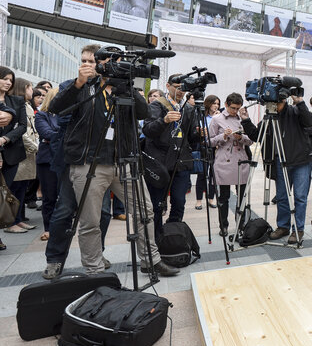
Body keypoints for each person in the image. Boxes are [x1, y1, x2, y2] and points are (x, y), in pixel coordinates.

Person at [47, 46, 178, 276]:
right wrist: (79, 82)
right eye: (109, 61)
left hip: (123, 162)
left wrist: (126, 85)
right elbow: (56, 108)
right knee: (90, 221)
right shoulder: (82, 86)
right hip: (89, 163)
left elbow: (143, 112)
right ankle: (94, 270)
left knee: (145, 210)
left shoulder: (124, 89)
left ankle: (150, 260)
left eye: (117, 61)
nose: (113, 65)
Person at [241, 91, 312, 244]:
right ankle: (283, 226)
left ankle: (298, 230)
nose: (274, 106)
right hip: (281, 163)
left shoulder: (295, 112)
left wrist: (300, 102)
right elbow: (257, 135)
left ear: (283, 101)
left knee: (300, 198)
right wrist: (246, 120)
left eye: (277, 103)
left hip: (300, 161)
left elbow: (309, 122)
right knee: (282, 197)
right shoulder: (270, 116)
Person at [142, 74, 201, 244]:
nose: (181, 91)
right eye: (177, 87)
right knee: (157, 203)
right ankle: (157, 238)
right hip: (159, 162)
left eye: (183, 88)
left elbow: (191, 137)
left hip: (181, 162)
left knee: (179, 201)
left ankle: (174, 236)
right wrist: (164, 120)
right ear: (168, 86)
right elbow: (148, 130)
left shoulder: (188, 109)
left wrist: (200, 134)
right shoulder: (157, 105)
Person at [209, 93, 253, 234]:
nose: (235, 111)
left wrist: (241, 137)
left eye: (237, 108)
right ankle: (224, 226)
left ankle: (240, 226)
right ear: (226, 105)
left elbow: (251, 140)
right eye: (232, 108)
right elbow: (208, 141)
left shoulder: (243, 118)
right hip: (224, 161)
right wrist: (224, 136)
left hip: (241, 160)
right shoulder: (217, 119)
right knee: (223, 197)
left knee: (242, 197)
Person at [0, 67, 28, 247]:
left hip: (11, 154)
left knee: (3, 195)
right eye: (4, 78)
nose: (8, 82)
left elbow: (23, 125)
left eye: (11, 79)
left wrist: (5, 138)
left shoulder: (16, 101)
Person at [5, 78, 38, 233]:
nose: (32, 91)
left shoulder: (27, 106)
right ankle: (10, 222)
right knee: (13, 189)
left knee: (21, 189)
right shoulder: (14, 105)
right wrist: (35, 146)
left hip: (28, 154)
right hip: (21, 151)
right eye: (30, 87)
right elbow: (22, 132)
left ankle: (18, 219)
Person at [35, 87, 60, 241]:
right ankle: (49, 228)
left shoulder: (67, 114)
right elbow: (47, 134)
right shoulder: (42, 115)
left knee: (64, 197)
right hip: (47, 160)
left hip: (64, 159)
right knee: (49, 196)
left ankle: (62, 227)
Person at [195, 95, 220, 210]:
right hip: (203, 146)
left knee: (213, 175)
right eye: (214, 103)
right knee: (202, 173)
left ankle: (211, 198)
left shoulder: (220, 117)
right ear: (208, 104)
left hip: (215, 147)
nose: (216, 106)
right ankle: (199, 200)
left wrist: (217, 119)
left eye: (218, 104)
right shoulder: (201, 116)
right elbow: (200, 131)